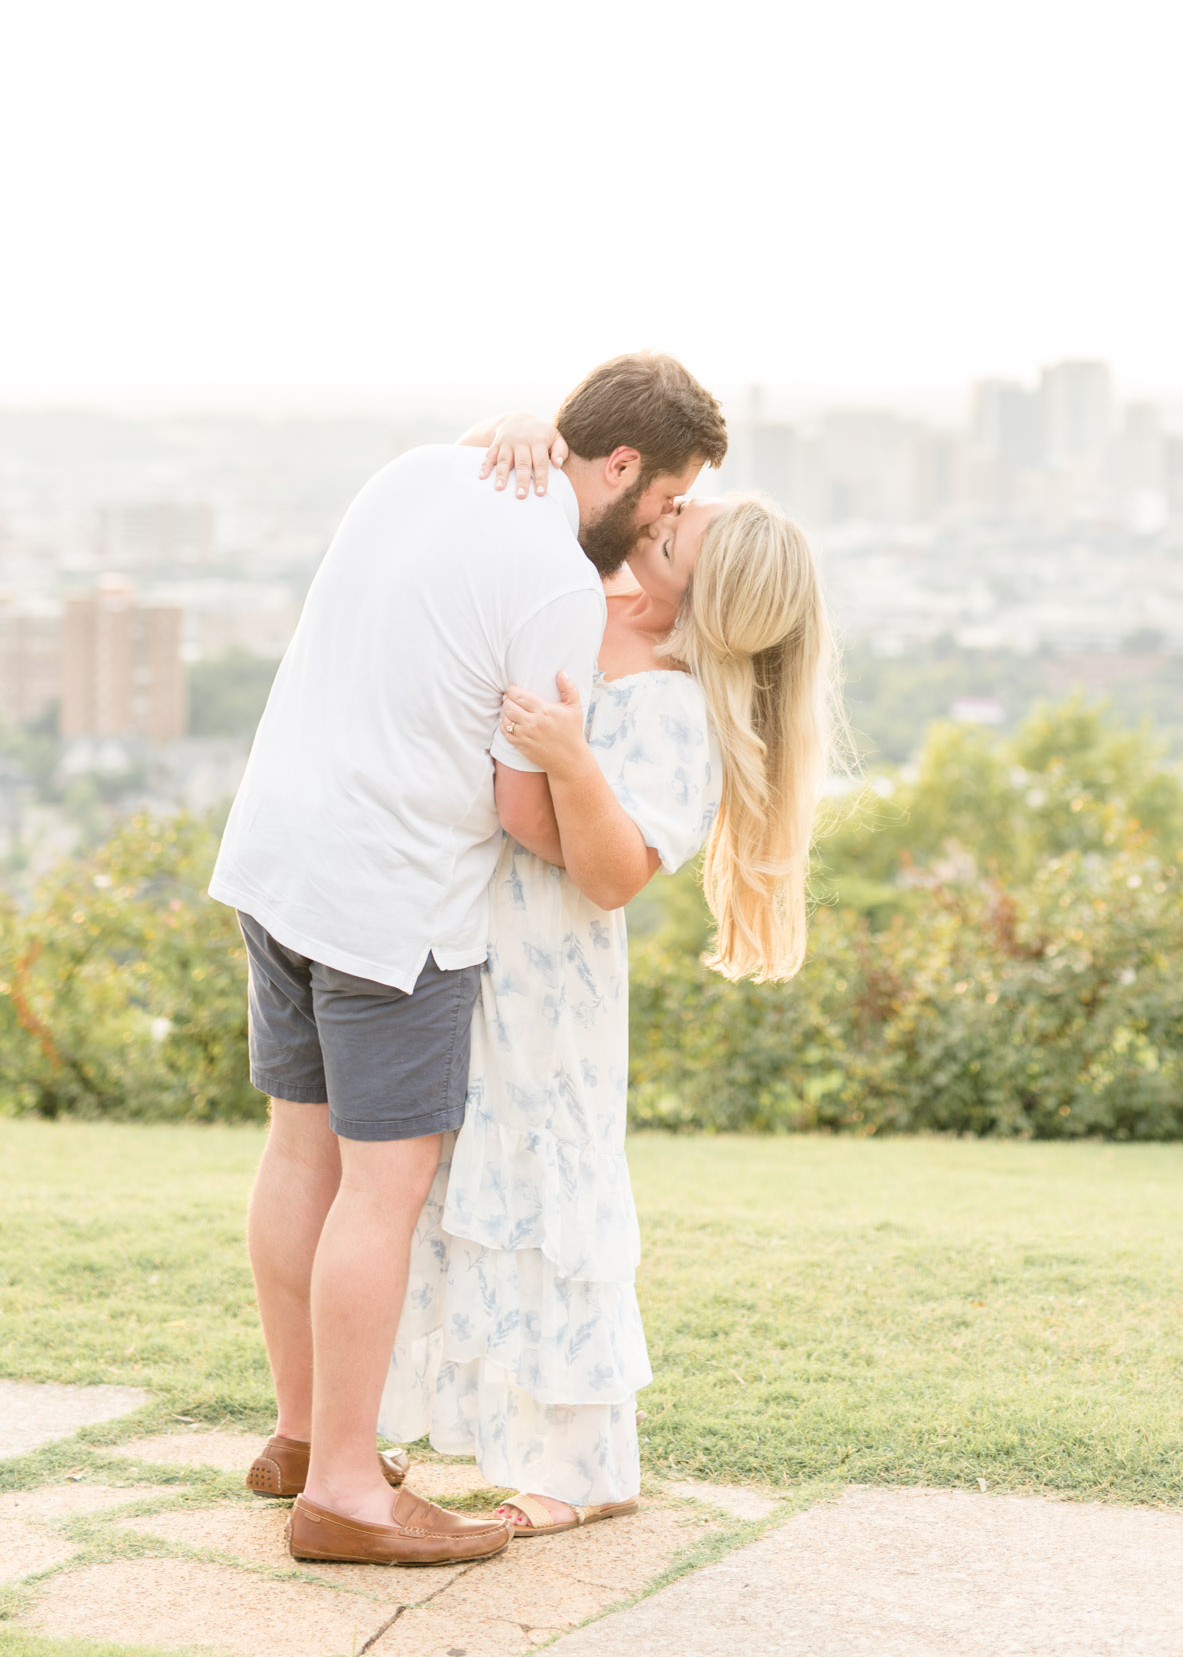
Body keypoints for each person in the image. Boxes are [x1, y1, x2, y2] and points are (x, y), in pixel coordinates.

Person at [207, 353, 727, 1568]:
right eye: (662, 502)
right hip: (391, 901)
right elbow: (519, 811)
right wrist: (603, 823)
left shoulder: (412, 474)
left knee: (299, 1153)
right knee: (381, 1190)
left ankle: (297, 1434)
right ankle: (342, 1488)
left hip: (277, 854)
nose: (653, 527)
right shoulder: (554, 579)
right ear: (618, 465)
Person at [379, 422, 838, 1536]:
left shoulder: (679, 705)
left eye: (683, 523)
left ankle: (583, 1466)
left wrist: (572, 758)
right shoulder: (589, 597)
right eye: (671, 502)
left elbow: (610, 871)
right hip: (470, 934)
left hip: (552, 977)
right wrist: (530, 434)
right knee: (446, 1173)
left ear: (700, 585)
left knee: (549, 1188)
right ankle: (432, 1421)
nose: (662, 512)